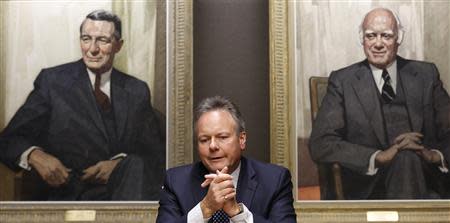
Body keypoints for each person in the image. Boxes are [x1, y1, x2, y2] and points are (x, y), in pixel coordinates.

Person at [0, 10, 165, 200]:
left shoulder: (136, 90)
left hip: (123, 199)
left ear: (118, 46)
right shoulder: (53, 82)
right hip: (64, 199)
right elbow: (8, 140)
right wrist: (35, 156)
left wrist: (120, 165)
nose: (92, 49)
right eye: (86, 39)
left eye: (102, 40)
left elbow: (156, 155)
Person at [309, 7, 450, 199]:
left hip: (426, 180)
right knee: (405, 158)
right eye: (370, 36)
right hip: (369, 187)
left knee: (408, 158)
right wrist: (377, 156)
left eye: (386, 36)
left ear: (398, 39)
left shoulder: (426, 75)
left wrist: (433, 155)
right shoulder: (343, 81)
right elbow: (321, 143)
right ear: (362, 39)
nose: (378, 43)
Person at [156, 96, 296, 222]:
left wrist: (237, 213)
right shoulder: (175, 181)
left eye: (222, 137)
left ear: (241, 139)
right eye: (204, 140)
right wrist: (205, 208)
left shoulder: (275, 180)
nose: (212, 146)